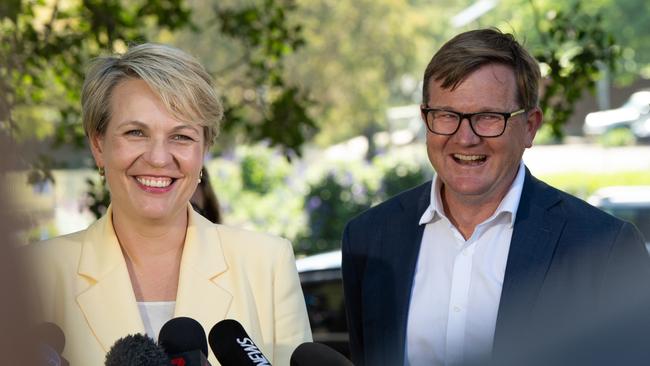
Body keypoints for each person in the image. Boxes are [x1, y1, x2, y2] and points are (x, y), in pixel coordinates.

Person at [341, 28, 650, 366]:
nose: (465, 138)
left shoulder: (603, 249)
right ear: (425, 120)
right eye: (447, 115)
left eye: (488, 117)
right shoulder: (369, 238)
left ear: (530, 126)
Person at [28, 43, 311, 365]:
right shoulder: (36, 275)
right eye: (136, 132)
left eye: (181, 137)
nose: (159, 158)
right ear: (98, 145)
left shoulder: (267, 263)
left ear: (204, 148)